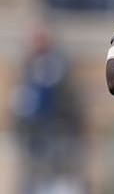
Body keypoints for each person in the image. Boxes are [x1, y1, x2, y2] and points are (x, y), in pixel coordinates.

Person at [10, 20, 87, 194]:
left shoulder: (60, 64)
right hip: (35, 137)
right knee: (33, 180)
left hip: (61, 135)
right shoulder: (28, 65)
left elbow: (71, 102)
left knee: (62, 181)